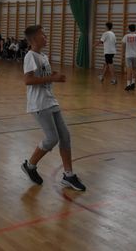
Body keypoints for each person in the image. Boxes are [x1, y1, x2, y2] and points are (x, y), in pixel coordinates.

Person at [21, 25, 86, 191]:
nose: (46, 37)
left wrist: (53, 75)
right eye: (42, 35)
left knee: (65, 136)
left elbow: (42, 76)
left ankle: (68, 175)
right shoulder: (30, 56)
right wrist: (52, 78)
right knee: (52, 138)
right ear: (34, 39)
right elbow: (28, 80)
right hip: (39, 104)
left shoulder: (43, 56)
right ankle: (30, 165)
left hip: (50, 101)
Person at [122, 24, 136, 91]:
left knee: (129, 70)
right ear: (135, 29)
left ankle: (128, 85)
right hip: (135, 55)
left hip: (128, 55)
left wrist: (123, 54)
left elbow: (123, 46)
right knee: (134, 69)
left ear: (129, 29)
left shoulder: (126, 36)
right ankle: (133, 83)